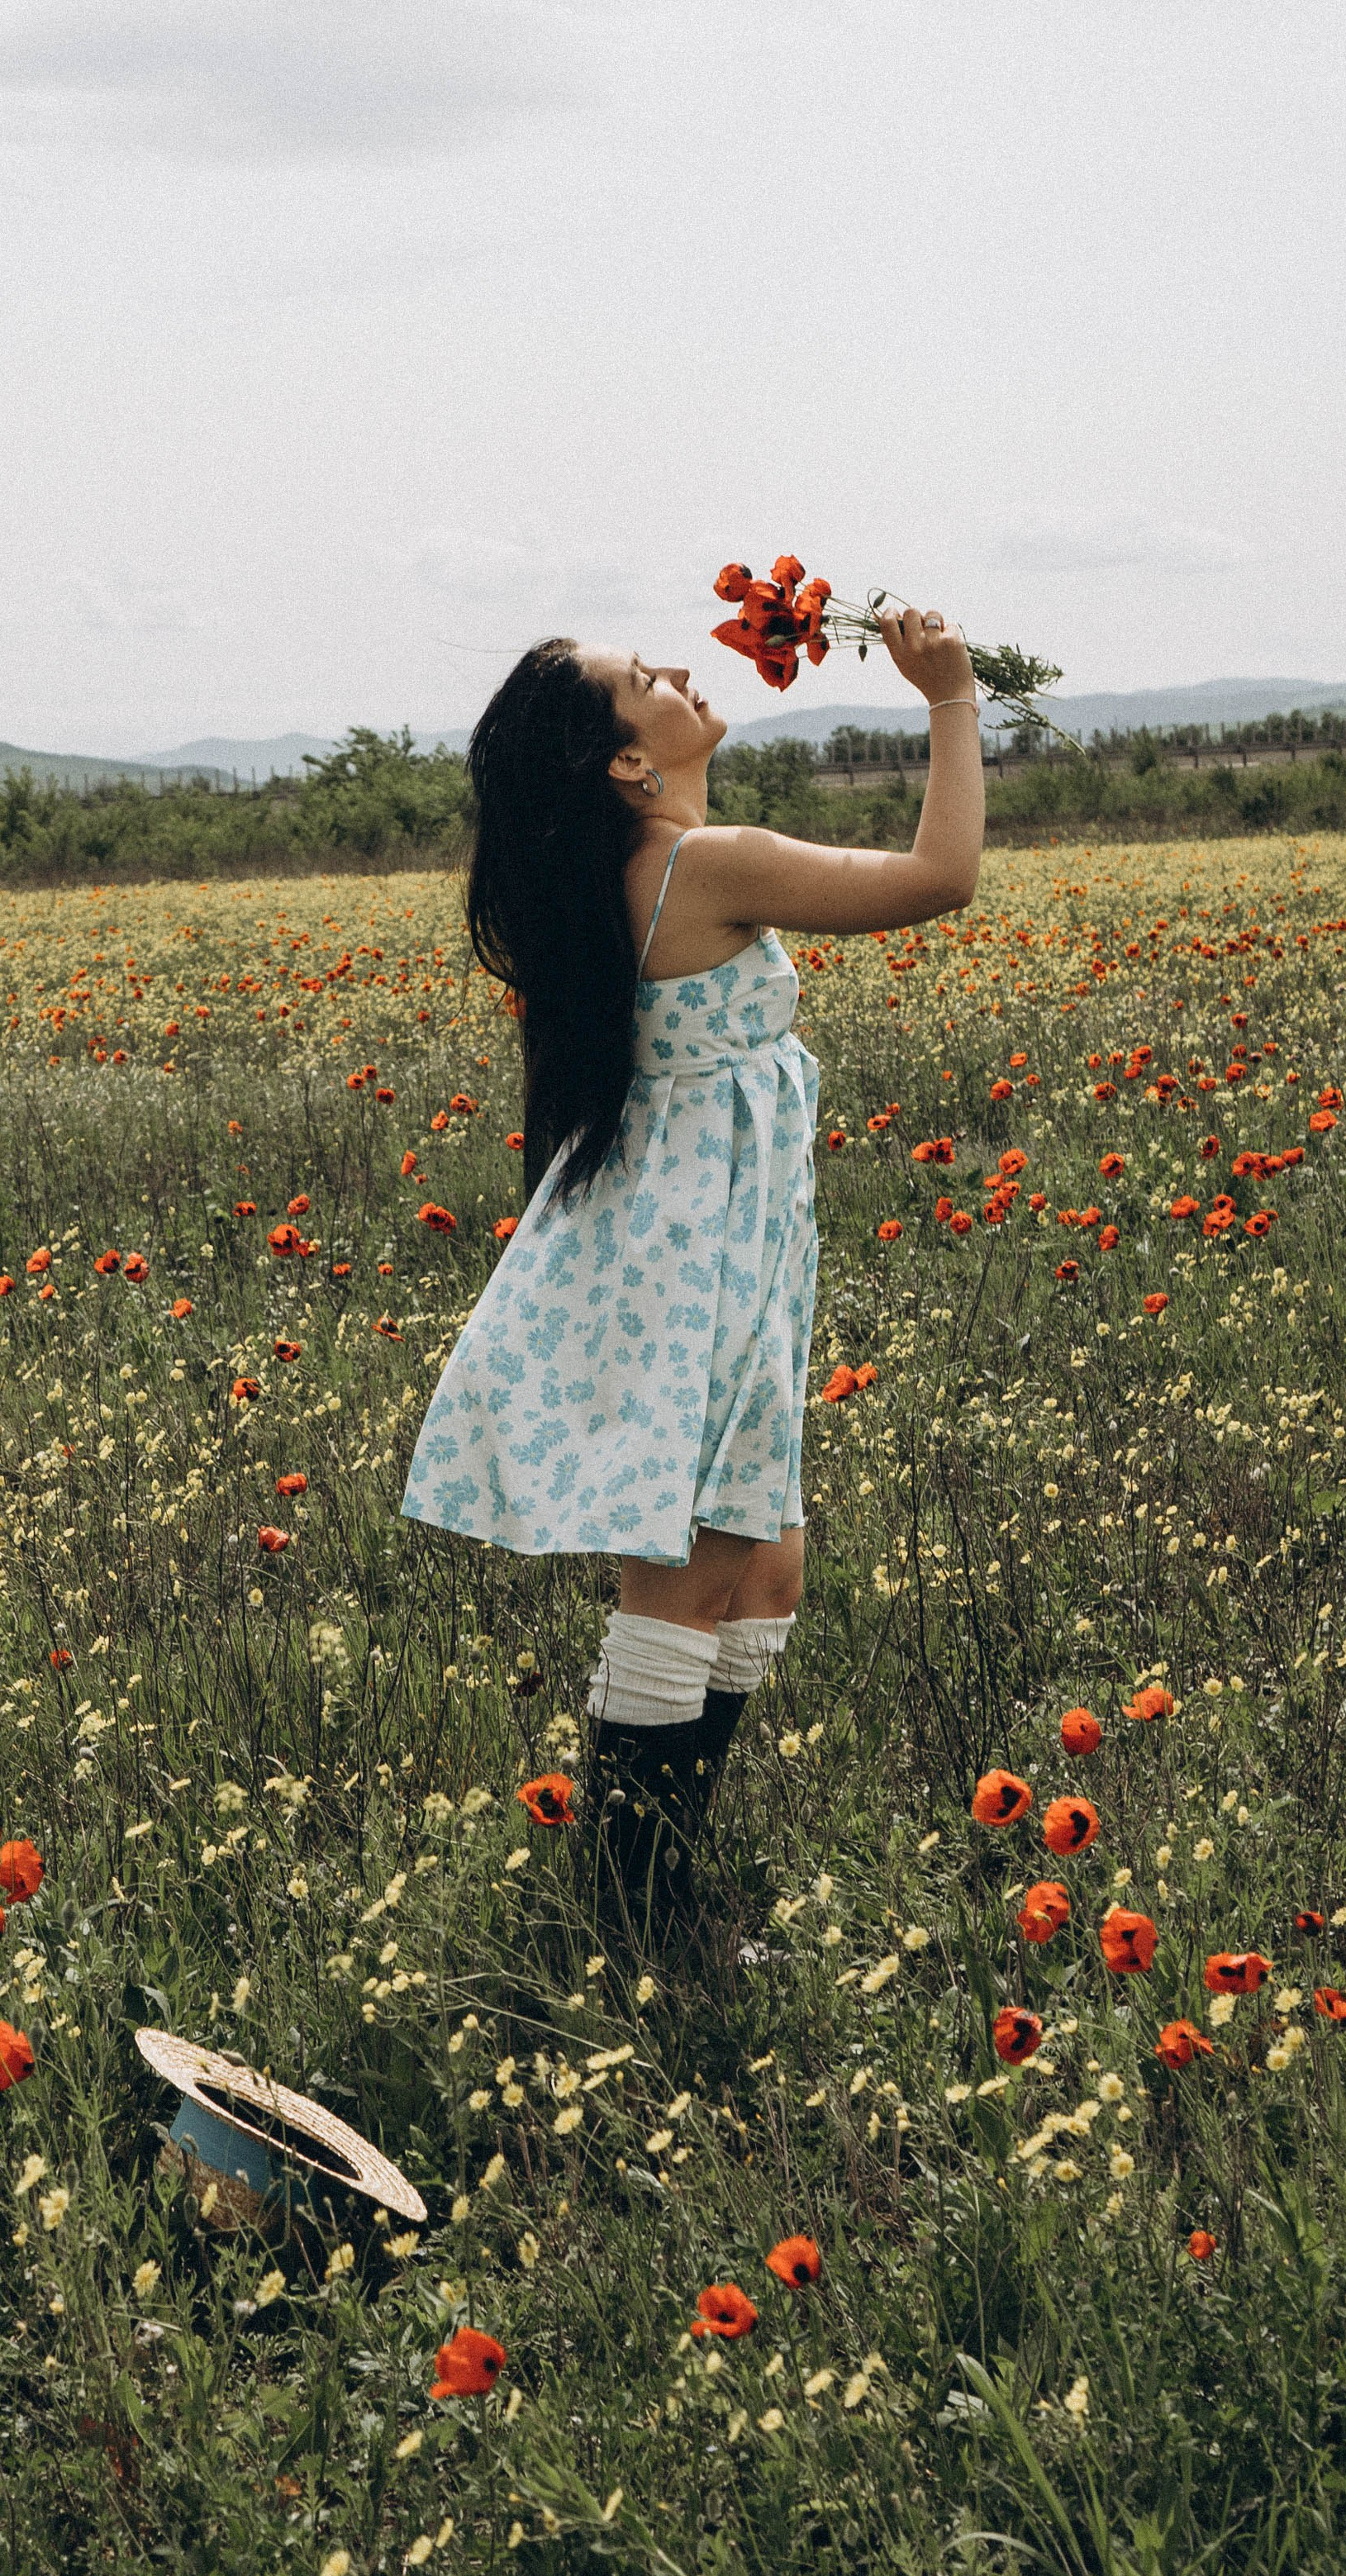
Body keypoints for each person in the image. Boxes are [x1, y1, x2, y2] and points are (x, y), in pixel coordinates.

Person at [398, 604, 983, 1939]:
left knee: (763, 1576)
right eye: (642, 679)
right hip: (694, 1266)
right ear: (625, 762)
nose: (676, 668)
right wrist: (949, 697)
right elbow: (939, 877)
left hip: (706, 1249)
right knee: (694, 1574)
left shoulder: (634, 874)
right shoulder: (705, 866)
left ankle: (667, 1871)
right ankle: (634, 1910)